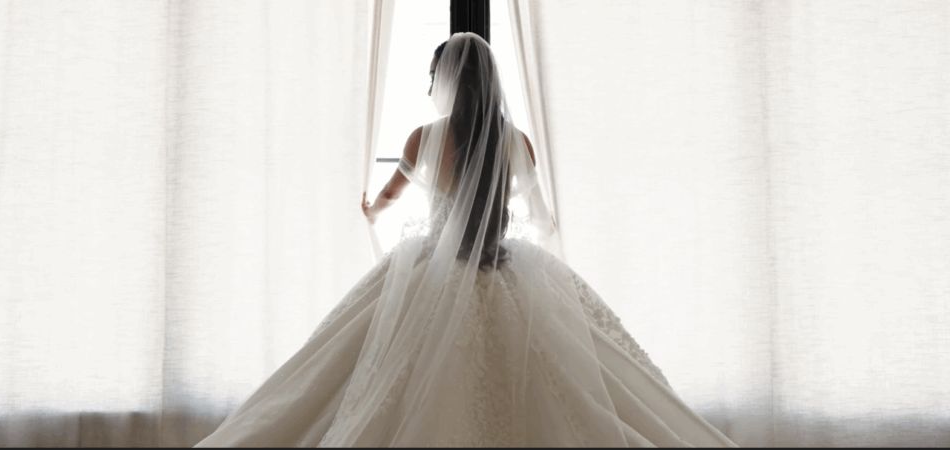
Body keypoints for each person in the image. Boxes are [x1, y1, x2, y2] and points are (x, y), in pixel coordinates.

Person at [195, 32, 737, 447]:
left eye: (433, 76)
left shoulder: (423, 137)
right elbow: (542, 218)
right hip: (504, 263)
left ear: (447, 79)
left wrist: (369, 209)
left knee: (353, 372)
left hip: (433, 262)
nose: (429, 87)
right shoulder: (515, 141)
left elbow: (387, 200)